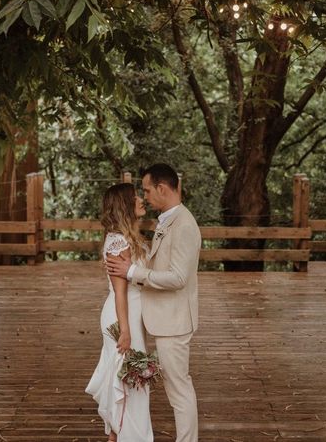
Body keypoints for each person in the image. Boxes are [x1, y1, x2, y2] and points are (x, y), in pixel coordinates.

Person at [106, 164, 200, 442]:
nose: (144, 196)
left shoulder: (183, 224)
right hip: (159, 317)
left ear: (162, 188)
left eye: (146, 190)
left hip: (173, 321)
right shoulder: (166, 219)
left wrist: (133, 272)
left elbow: (179, 277)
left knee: (179, 390)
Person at [86, 182, 154, 441]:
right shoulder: (118, 242)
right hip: (121, 317)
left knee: (129, 383)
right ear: (124, 205)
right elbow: (120, 292)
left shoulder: (129, 238)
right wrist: (125, 330)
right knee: (130, 385)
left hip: (132, 316)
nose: (141, 200)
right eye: (135, 197)